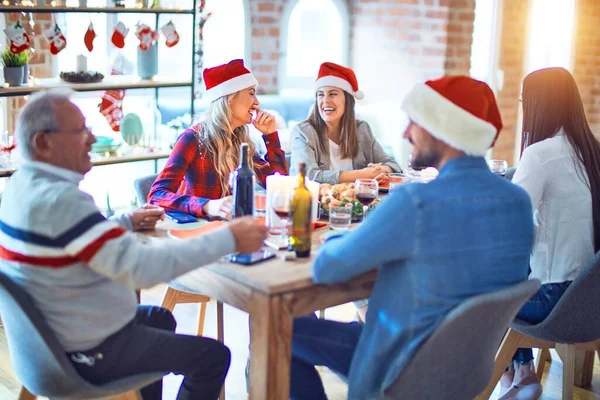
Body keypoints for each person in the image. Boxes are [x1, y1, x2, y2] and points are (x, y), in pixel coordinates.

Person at [0, 89, 269, 400]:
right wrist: (230, 237)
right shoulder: (64, 201)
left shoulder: (22, 186)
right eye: (80, 131)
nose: (91, 139)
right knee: (213, 357)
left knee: (160, 319)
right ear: (43, 143)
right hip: (86, 350)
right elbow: (142, 270)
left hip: (50, 341)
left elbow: (65, 238)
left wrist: (125, 222)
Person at [288, 76, 536, 400]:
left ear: (441, 129)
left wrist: (340, 237)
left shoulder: (415, 203)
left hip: (396, 366)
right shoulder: (519, 203)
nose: (406, 133)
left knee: (282, 332)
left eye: (414, 122)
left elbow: (327, 270)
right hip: (466, 370)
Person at [498, 67, 600, 400]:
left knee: (474, 284)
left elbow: (506, 217)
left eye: (525, 102)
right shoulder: (592, 152)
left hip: (552, 301)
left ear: (540, 105)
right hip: (590, 300)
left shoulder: (540, 154)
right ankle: (523, 371)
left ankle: (514, 371)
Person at [149, 59, 288, 220]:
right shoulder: (192, 138)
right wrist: (207, 205)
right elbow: (157, 196)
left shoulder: (241, 140)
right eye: (251, 93)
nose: (257, 102)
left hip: (229, 231)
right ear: (230, 97)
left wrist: (270, 136)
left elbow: (278, 186)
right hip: (196, 232)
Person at [290, 62, 401, 184]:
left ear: (347, 100)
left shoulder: (361, 129)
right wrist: (363, 174)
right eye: (320, 95)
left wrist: (382, 170)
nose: (325, 101)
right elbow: (308, 176)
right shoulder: (303, 132)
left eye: (332, 94)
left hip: (356, 201)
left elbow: (393, 164)